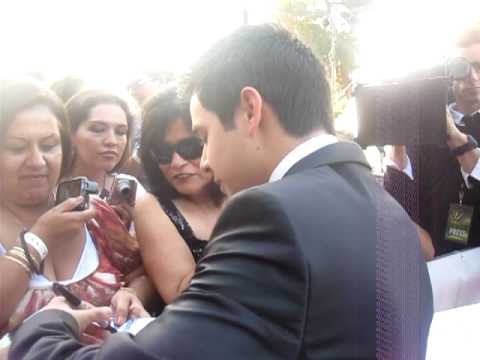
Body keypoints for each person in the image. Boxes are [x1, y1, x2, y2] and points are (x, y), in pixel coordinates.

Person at [9, 24, 433, 359]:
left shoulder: (272, 214)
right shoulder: (384, 207)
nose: (205, 161)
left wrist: (47, 327)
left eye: (203, 135)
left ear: (250, 110)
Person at [0, 81, 149, 349]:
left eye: (48, 145)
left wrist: (132, 293)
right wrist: (40, 237)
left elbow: (140, 272)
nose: (36, 161)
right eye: (16, 147)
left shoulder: (90, 212)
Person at [384, 25, 480, 257]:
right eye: (463, 69)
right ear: (448, 73)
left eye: (478, 67)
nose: (473, 78)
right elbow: (402, 210)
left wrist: (457, 140)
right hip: (437, 266)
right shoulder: (425, 129)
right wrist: (398, 155)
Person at [134, 87, 224, 304]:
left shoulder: (247, 185)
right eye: (163, 153)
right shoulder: (152, 206)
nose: (177, 163)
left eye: (190, 147)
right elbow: (183, 296)